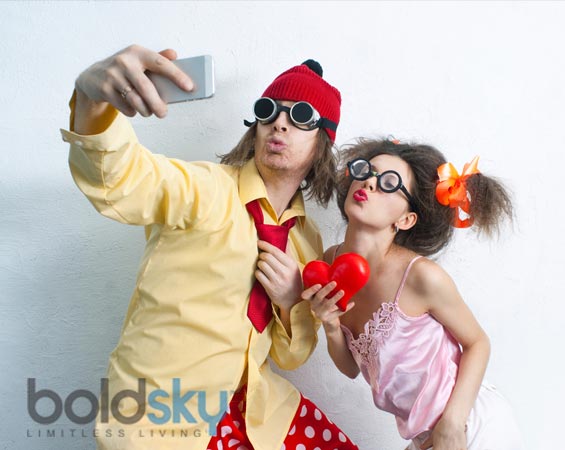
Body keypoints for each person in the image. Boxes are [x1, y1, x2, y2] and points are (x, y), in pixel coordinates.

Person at [60, 44, 359, 450]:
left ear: (322, 140)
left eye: (300, 116)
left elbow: (289, 357)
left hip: (252, 409)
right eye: (268, 110)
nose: (279, 123)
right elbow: (120, 180)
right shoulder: (204, 188)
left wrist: (291, 302)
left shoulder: (306, 240)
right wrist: (91, 99)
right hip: (162, 420)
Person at [302, 138, 523, 449]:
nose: (369, 182)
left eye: (389, 183)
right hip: (423, 439)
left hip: (470, 424)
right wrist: (329, 324)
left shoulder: (421, 277)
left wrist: (452, 422)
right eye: (366, 171)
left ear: (405, 219)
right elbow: (351, 368)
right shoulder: (330, 264)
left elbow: (478, 343)